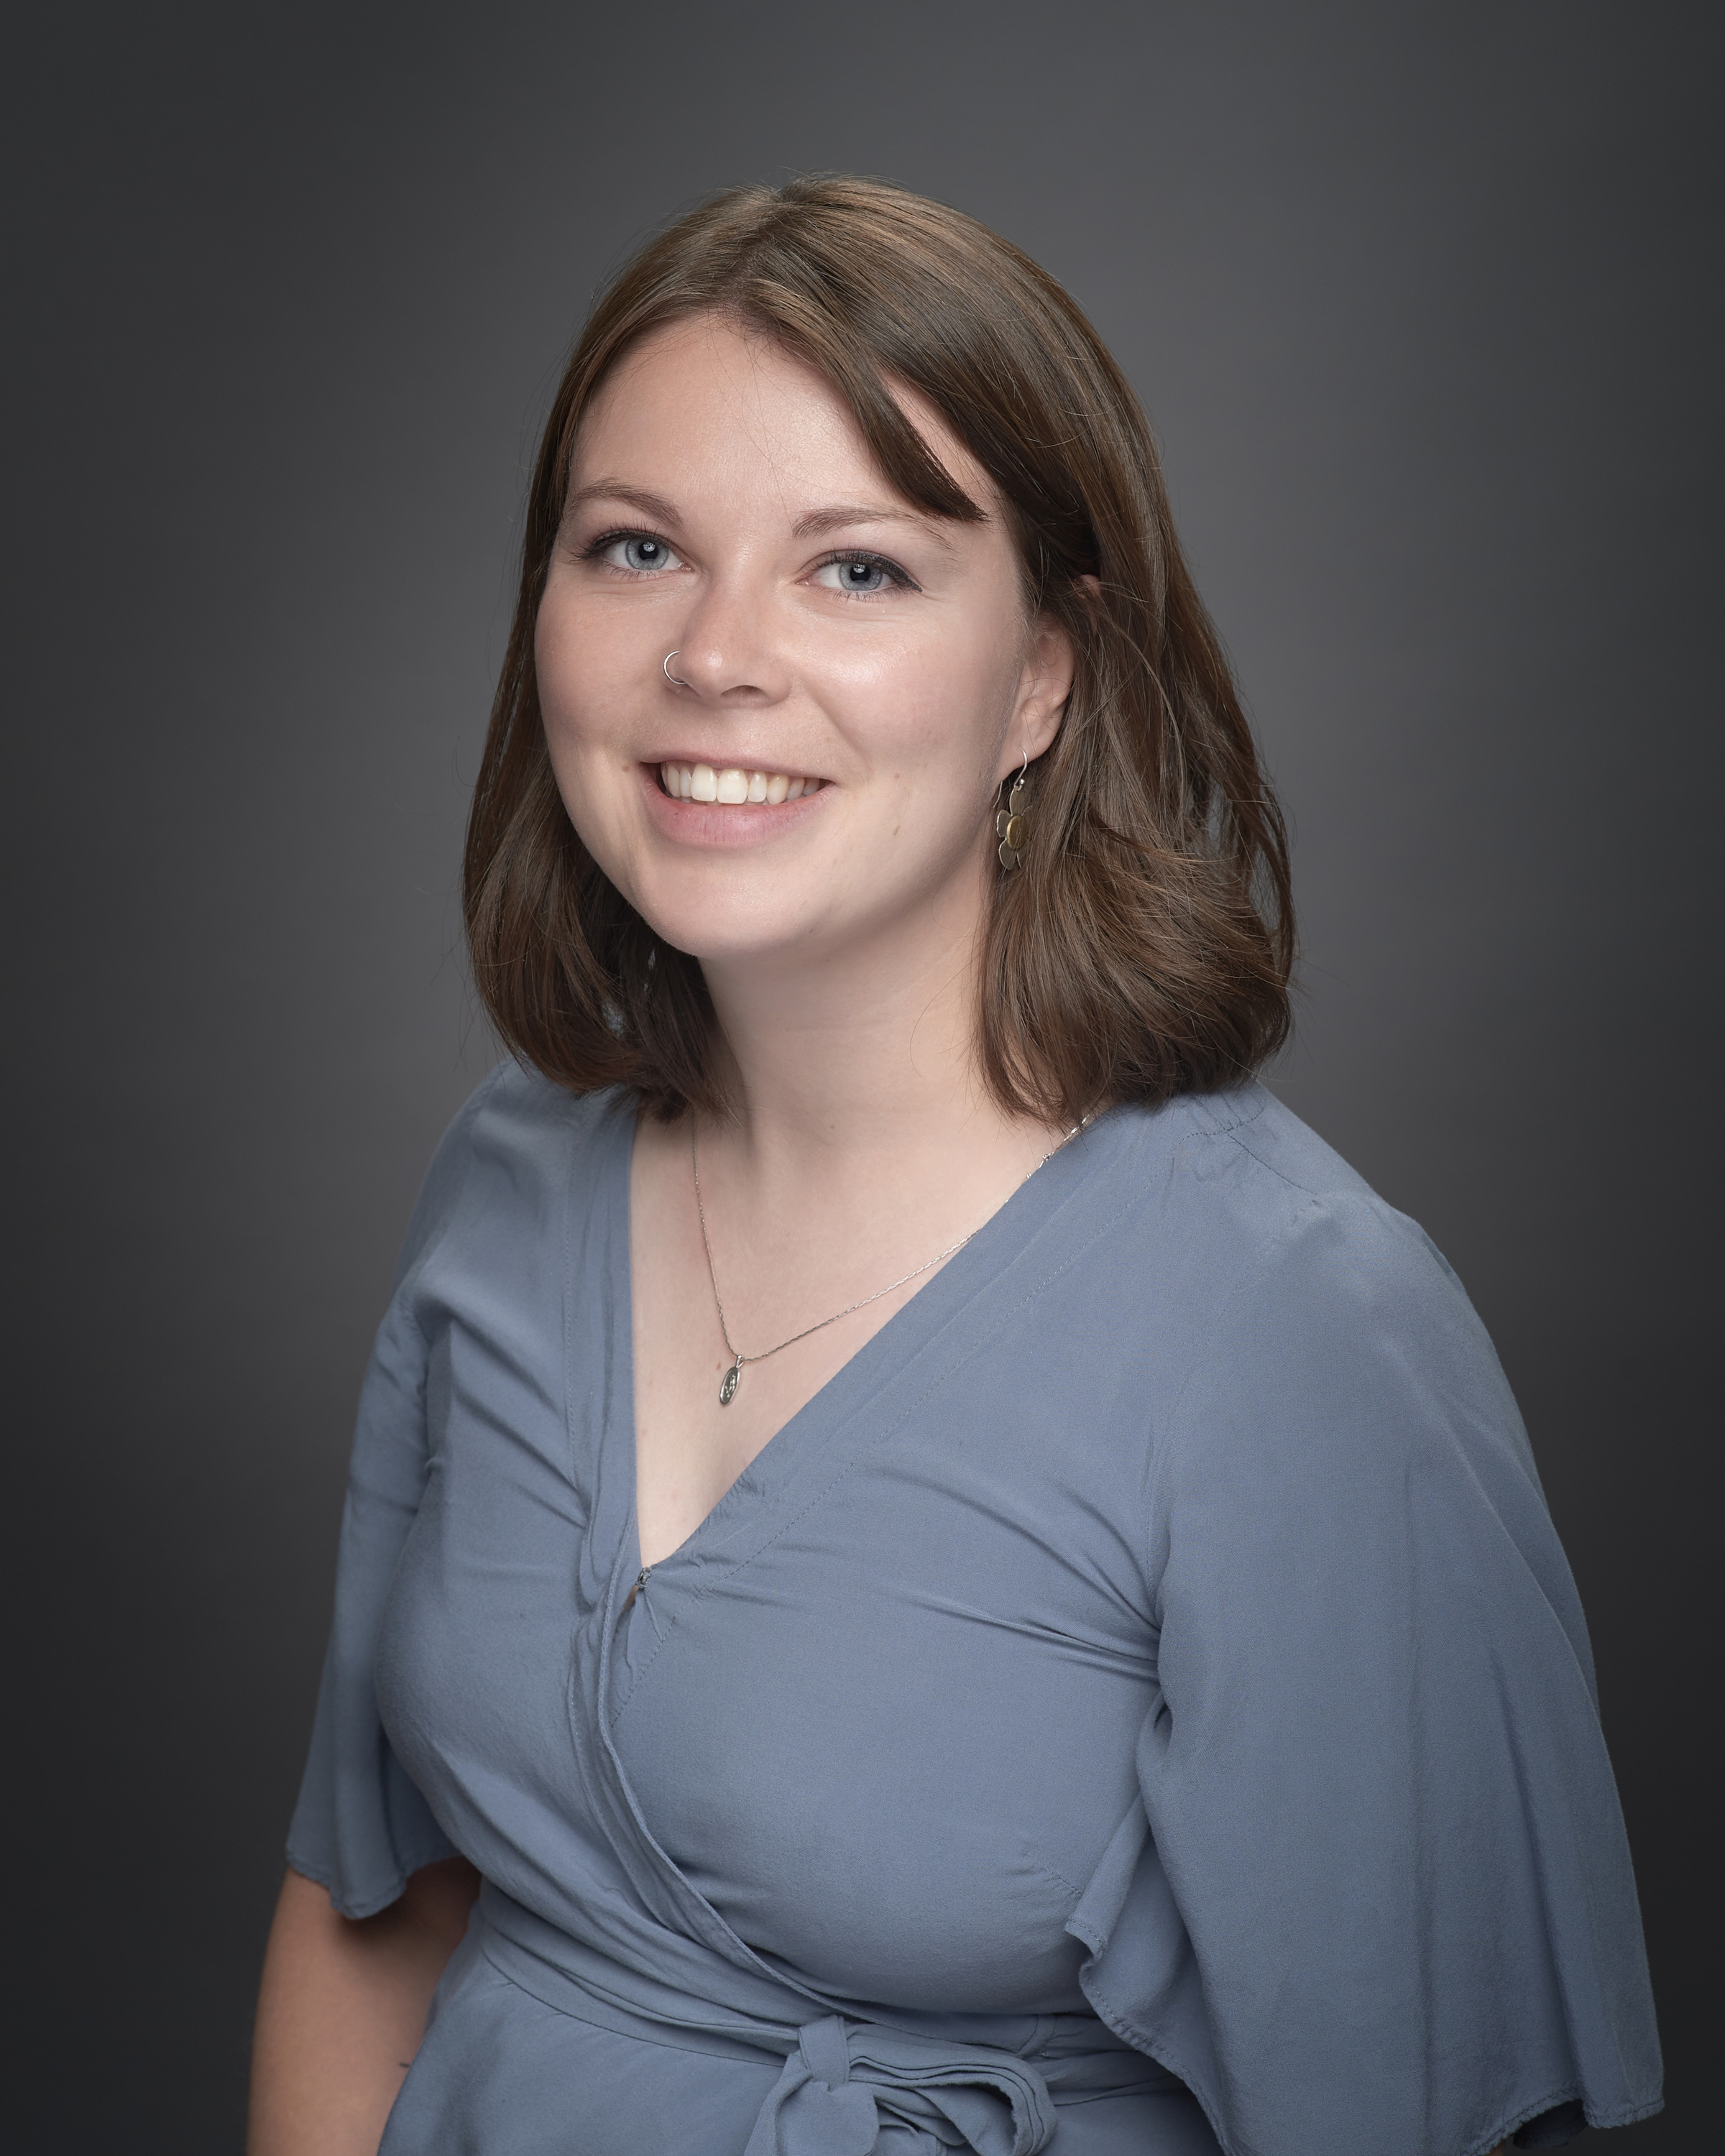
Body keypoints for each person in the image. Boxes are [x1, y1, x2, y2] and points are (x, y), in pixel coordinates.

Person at [247, 177, 1661, 2156]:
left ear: (1043, 679)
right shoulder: (504, 1181)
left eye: (859, 571)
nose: (716, 659)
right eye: (638, 547)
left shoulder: (1304, 1335)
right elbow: (376, 1901)